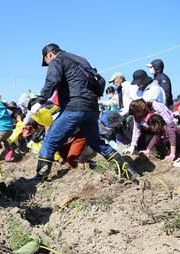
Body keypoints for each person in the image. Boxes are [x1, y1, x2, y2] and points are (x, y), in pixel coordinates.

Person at [28, 43, 138, 181]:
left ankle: (40, 178)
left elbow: (52, 80)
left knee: (49, 141)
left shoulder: (57, 60)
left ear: (49, 54)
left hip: (74, 107)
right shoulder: (81, 59)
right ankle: (126, 170)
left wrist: (40, 100)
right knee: (97, 142)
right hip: (91, 108)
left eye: (47, 61)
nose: (48, 64)